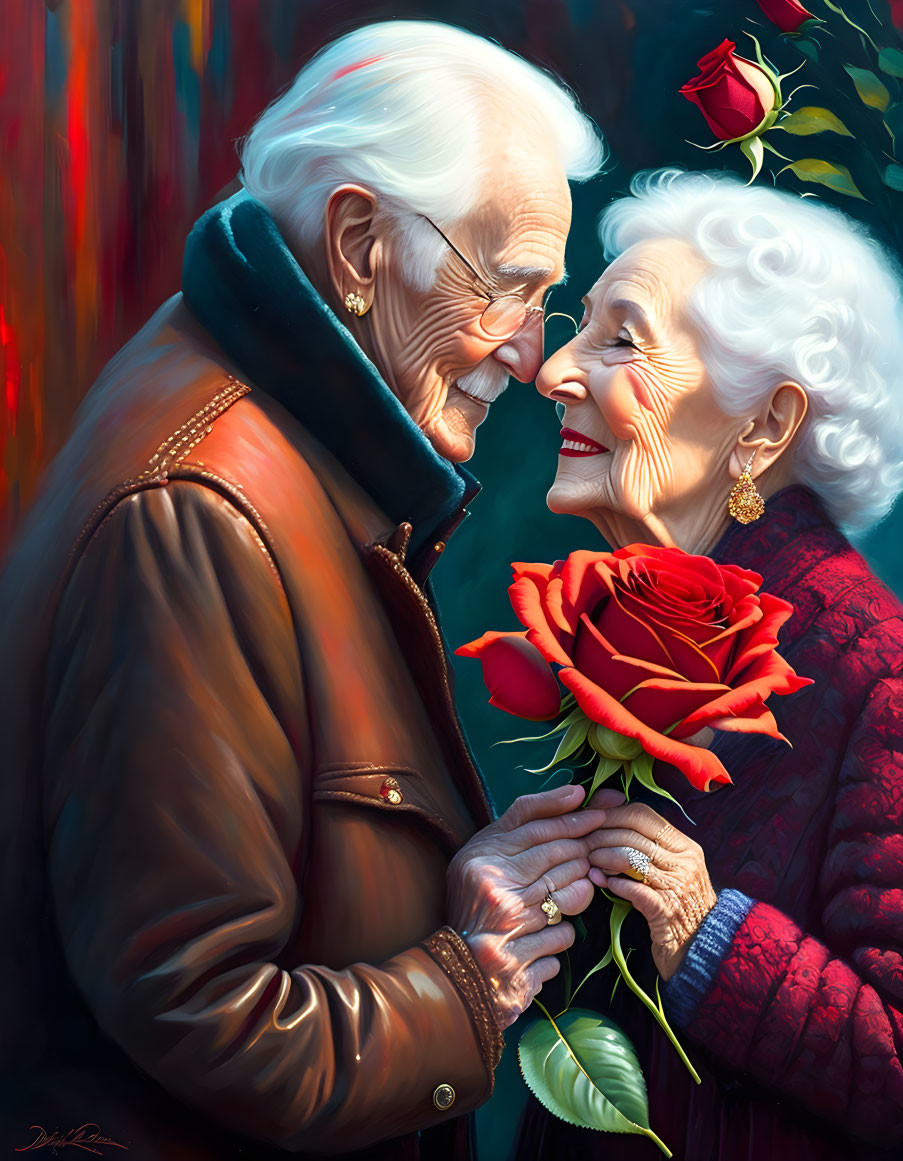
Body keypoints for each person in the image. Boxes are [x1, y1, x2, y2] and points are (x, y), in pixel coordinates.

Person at [0, 22, 608, 1161]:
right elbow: (196, 1007)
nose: (530, 354)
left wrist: (449, 887)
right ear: (360, 243)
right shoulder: (200, 514)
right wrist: (467, 988)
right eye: (509, 287)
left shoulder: (262, 426)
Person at [516, 169, 903, 1160]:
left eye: (620, 339)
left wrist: (708, 933)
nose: (555, 368)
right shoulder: (637, 613)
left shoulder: (876, 672)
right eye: (578, 327)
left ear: (765, 429)